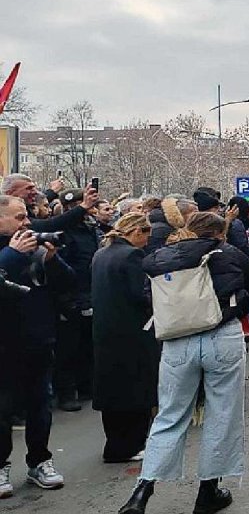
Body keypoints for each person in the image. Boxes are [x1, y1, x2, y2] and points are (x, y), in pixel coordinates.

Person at [118, 212, 249, 514]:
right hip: (221, 335)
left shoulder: (161, 256)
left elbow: (147, 295)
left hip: (177, 339)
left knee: (169, 415)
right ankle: (208, 491)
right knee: (222, 413)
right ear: (220, 234)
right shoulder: (227, 252)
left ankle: (141, 493)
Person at [0, 194, 74, 496]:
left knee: (40, 408)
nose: (27, 221)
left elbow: (69, 283)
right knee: (2, 411)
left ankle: (40, 461)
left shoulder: (35, 246)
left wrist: (53, 259)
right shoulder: (13, 252)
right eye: (19, 217)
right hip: (4, 346)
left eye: (27, 214)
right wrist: (12, 254)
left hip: (38, 341)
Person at [91, 213, 157, 463]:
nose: (147, 242)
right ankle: (131, 444)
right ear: (137, 232)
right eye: (146, 235)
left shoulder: (102, 253)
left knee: (111, 388)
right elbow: (140, 294)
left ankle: (115, 442)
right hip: (132, 329)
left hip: (105, 329)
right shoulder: (131, 256)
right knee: (137, 387)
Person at [51, 189, 103, 413]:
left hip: (89, 292)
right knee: (68, 348)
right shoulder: (62, 231)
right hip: (70, 295)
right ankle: (66, 393)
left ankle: (86, 386)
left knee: (86, 344)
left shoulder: (91, 229)